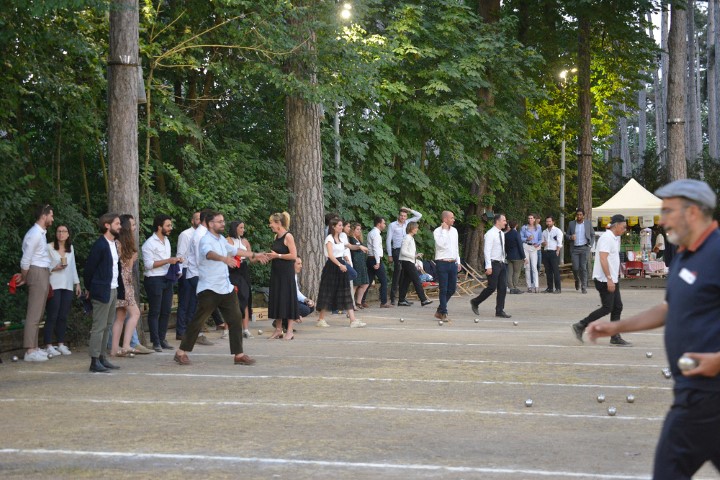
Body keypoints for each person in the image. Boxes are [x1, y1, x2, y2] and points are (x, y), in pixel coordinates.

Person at [586, 179, 719, 479]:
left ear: (693, 213)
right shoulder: (685, 254)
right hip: (695, 393)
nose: (664, 219)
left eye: (670, 211)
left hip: (710, 391)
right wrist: (617, 326)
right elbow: (668, 309)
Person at [174, 211, 255, 366]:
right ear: (210, 224)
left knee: (236, 318)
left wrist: (255, 254)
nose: (223, 224)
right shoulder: (205, 240)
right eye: (219, 221)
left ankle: (239, 355)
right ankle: (181, 352)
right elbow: (209, 254)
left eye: (223, 221)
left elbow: (235, 250)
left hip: (225, 287)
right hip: (209, 288)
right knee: (198, 321)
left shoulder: (222, 240)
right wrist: (223, 259)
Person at [571, 214, 632, 346]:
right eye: (623, 227)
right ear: (616, 225)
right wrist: (609, 279)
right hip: (604, 279)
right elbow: (603, 258)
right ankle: (581, 325)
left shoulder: (614, 238)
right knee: (607, 308)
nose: (624, 229)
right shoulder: (607, 238)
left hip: (612, 278)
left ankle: (615, 336)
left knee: (617, 307)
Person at [83, 213, 124, 373]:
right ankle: (94, 360)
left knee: (107, 325)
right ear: (107, 225)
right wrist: (90, 288)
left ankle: (102, 357)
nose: (120, 226)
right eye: (117, 223)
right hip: (102, 290)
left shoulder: (114, 244)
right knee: (99, 326)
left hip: (112, 289)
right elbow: (89, 269)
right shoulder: (99, 245)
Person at [19, 204, 55, 362]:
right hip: (36, 272)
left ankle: (34, 346)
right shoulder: (34, 234)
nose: (52, 219)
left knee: (39, 312)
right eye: (51, 215)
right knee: (34, 312)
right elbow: (26, 259)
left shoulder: (41, 233)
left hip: (43, 272)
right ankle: (29, 350)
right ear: (44, 215)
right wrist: (25, 277)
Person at [142, 214, 183, 352]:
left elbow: (167, 261)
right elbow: (148, 265)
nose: (170, 228)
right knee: (155, 311)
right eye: (168, 225)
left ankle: (162, 338)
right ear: (159, 227)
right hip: (154, 279)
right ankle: (155, 341)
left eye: (170, 225)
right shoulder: (149, 243)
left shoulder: (166, 240)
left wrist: (175, 261)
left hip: (167, 278)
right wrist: (168, 260)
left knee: (166, 311)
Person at [316, 218, 366, 328]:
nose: (341, 227)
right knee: (328, 293)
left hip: (341, 265)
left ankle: (353, 320)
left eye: (341, 225)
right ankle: (321, 319)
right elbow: (330, 255)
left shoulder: (341, 238)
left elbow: (350, 246)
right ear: (333, 227)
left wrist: (359, 246)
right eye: (339, 225)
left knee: (346, 292)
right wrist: (340, 265)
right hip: (332, 267)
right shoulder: (329, 238)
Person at [44, 224, 81, 356]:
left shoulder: (70, 248)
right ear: (55, 233)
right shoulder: (48, 247)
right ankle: (48, 345)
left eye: (64, 231)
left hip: (68, 285)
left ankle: (60, 343)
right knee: (52, 315)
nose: (61, 234)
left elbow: (73, 267)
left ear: (68, 234)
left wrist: (77, 283)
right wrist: (55, 267)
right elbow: (43, 265)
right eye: (59, 231)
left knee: (63, 316)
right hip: (54, 284)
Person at [227, 220, 266, 338]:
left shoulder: (245, 241)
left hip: (243, 269)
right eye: (241, 227)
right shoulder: (227, 240)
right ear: (235, 228)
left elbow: (251, 259)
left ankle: (246, 329)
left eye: (243, 228)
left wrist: (259, 257)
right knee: (231, 297)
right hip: (232, 269)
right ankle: (226, 329)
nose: (243, 230)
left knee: (246, 296)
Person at [110, 215, 141, 357]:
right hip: (123, 283)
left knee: (121, 316)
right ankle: (126, 345)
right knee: (135, 313)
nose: (135, 228)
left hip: (122, 283)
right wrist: (132, 259)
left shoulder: (118, 243)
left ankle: (115, 349)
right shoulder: (120, 244)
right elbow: (125, 268)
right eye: (133, 225)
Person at [184, 209, 216, 346]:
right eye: (215, 221)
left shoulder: (204, 233)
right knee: (202, 304)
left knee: (199, 304)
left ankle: (196, 333)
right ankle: (197, 334)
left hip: (199, 273)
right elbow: (199, 258)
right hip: (197, 273)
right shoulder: (200, 235)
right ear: (208, 221)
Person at [470, 214, 511, 318]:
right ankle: (475, 302)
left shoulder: (501, 233)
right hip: (492, 263)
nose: (505, 223)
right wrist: (488, 266)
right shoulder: (490, 234)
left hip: (501, 263)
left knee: (502, 287)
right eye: (504, 220)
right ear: (497, 221)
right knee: (492, 287)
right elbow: (487, 251)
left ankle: (499, 310)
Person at [266, 212, 299, 340]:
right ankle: (278, 329)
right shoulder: (276, 237)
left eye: (272, 223)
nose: (270, 225)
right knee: (277, 298)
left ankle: (289, 330)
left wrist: (278, 256)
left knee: (287, 298)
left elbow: (293, 255)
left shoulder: (288, 236)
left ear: (278, 223)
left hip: (286, 273)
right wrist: (269, 256)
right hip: (276, 272)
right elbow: (275, 253)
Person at [387, 206, 422, 305]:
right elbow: (388, 240)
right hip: (397, 250)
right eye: (401, 215)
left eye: (405, 216)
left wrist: (409, 209)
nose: (403, 217)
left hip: (407, 251)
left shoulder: (408, 223)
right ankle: (393, 298)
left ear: (407, 217)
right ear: (398, 216)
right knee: (397, 273)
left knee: (406, 275)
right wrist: (390, 254)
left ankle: (402, 298)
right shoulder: (392, 225)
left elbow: (419, 215)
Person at [397, 222, 433, 307]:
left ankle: (401, 300)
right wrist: (414, 256)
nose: (417, 229)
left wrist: (415, 259)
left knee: (406, 281)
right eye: (416, 228)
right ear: (411, 228)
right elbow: (403, 251)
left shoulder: (411, 238)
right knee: (416, 280)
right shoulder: (407, 238)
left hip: (409, 261)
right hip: (407, 262)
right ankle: (423, 300)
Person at [176, 211, 200, 340]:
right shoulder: (186, 234)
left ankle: (191, 330)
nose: (199, 221)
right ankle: (181, 331)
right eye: (197, 219)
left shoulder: (202, 235)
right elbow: (181, 254)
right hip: (185, 270)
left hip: (196, 271)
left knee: (194, 302)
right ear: (192, 221)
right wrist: (179, 272)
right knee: (184, 302)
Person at [433, 210, 461, 321]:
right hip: (442, 262)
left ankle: (440, 310)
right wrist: (444, 230)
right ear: (445, 219)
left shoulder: (454, 231)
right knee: (443, 289)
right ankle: (444, 312)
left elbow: (455, 247)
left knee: (452, 289)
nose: (453, 220)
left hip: (452, 262)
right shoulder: (437, 231)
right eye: (452, 218)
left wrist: (458, 261)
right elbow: (441, 245)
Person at [364, 216, 391, 308]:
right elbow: (375, 248)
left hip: (371, 258)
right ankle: (383, 302)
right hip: (375, 259)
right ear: (379, 224)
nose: (385, 225)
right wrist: (378, 262)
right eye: (383, 223)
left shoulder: (372, 232)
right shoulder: (375, 234)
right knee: (383, 281)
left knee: (368, 280)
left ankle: (361, 300)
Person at [566, 208, 594, 293]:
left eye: (580, 215)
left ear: (583, 216)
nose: (579, 216)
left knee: (583, 268)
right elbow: (567, 235)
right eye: (577, 215)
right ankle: (576, 280)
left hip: (584, 248)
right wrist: (570, 237)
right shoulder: (571, 224)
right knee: (575, 268)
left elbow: (592, 235)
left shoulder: (588, 224)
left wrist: (590, 245)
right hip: (575, 248)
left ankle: (584, 287)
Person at [348, 222, 370, 309]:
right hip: (356, 263)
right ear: (353, 230)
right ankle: (351, 303)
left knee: (365, 283)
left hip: (362, 263)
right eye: (357, 229)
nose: (359, 231)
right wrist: (360, 247)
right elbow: (352, 247)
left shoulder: (358, 239)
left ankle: (358, 302)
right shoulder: (350, 239)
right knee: (355, 284)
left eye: (360, 229)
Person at [520, 213, 542, 293]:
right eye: (529, 218)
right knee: (527, 266)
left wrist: (538, 244)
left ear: (534, 219)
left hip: (534, 247)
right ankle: (529, 286)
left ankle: (536, 286)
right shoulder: (524, 227)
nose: (530, 220)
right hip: (526, 246)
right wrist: (527, 239)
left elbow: (540, 238)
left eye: (531, 218)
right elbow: (521, 237)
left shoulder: (538, 227)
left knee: (534, 266)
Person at [541, 215, 563, 293]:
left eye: (549, 221)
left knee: (555, 270)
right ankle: (549, 288)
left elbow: (559, 242)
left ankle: (558, 288)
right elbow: (542, 242)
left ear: (553, 222)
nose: (548, 223)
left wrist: (557, 251)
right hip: (546, 252)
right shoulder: (544, 231)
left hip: (554, 252)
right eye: (547, 221)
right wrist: (543, 243)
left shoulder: (557, 231)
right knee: (548, 271)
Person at [504, 220, 526, 295]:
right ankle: (515, 287)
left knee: (509, 272)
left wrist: (507, 253)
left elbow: (505, 246)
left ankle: (511, 287)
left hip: (509, 256)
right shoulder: (517, 234)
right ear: (516, 225)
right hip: (517, 256)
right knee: (516, 272)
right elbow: (520, 246)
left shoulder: (506, 235)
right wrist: (524, 257)